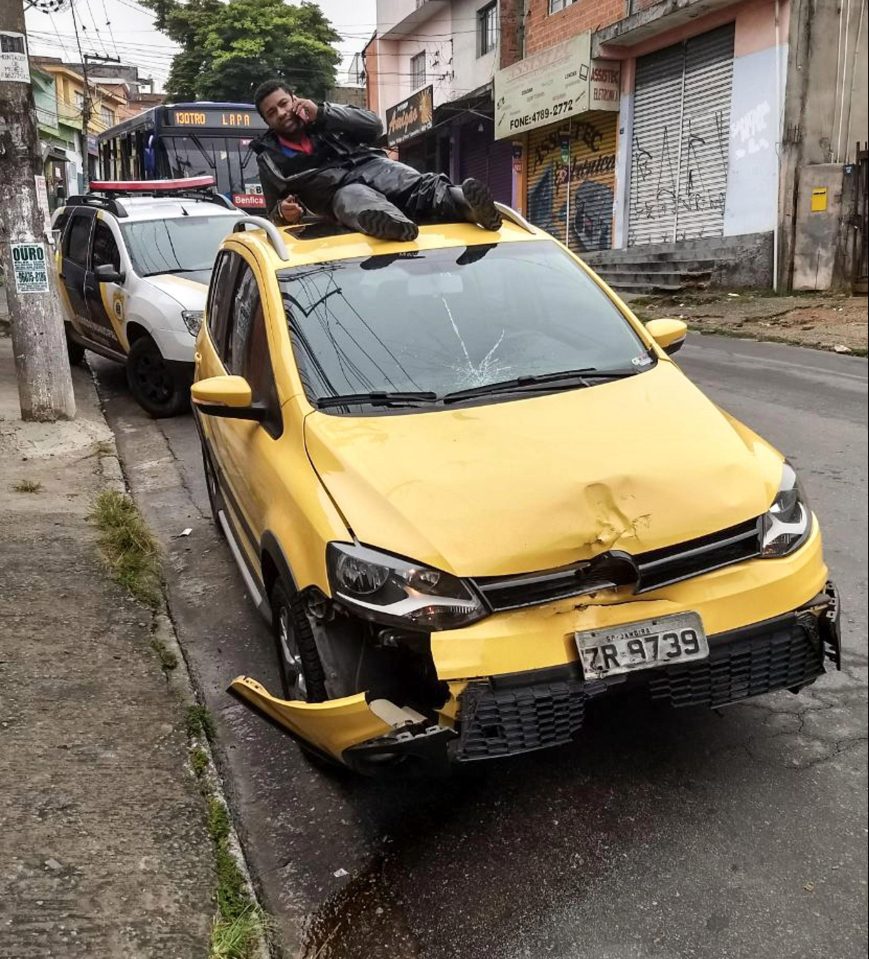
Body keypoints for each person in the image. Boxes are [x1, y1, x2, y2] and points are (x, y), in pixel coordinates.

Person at [250, 79, 502, 241]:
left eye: (283, 103)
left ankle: (468, 205)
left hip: (372, 166)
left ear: (295, 98)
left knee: (417, 183)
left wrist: (324, 113)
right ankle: (393, 224)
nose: (281, 113)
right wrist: (284, 213)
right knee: (355, 199)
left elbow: (374, 125)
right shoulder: (269, 159)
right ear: (267, 122)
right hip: (336, 193)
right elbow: (273, 214)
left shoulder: (325, 116)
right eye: (272, 112)